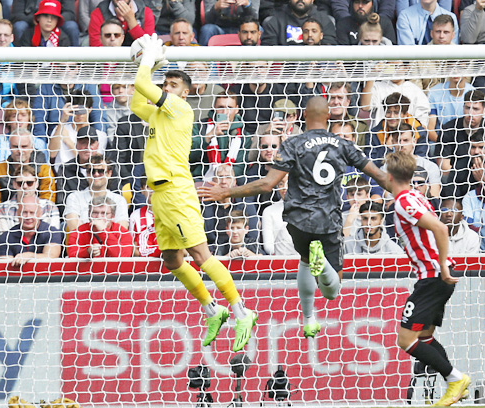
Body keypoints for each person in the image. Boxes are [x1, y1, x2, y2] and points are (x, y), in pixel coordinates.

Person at [199, 96, 389, 338]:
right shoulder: (343, 145)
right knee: (332, 290)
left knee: (305, 260)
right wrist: (403, 192)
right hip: (329, 221)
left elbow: (268, 184)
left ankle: (308, 318)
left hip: (299, 221)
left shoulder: (293, 144)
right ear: (329, 116)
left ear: (304, 117)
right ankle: (322, 274)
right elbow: (380, 177)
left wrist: (224, 191)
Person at [131, 34, 257, 352]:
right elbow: (136, 100)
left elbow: (146, 88)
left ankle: (242, 311)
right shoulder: (160, 113)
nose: (166, 88)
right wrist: (143, 64)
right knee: (172, 259)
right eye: (166, 82)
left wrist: (148, 60)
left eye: (172, 84)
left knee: (201, 256)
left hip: (176, 189)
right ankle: (213, 310)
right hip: (160, 195)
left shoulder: (181, 110)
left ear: (185, 93)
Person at [385, 150, 470, 407]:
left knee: (405, 339)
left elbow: (441, 228)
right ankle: (455, 387)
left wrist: (442, 265)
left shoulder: (403, 202)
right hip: (437, 275)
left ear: (389, 177)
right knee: (425, 336)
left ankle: (455, 379)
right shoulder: (414, 195)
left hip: (433, 276)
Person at [191, 92, 250, 180]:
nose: (225, 112)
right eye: (220, 107)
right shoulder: (199, 126)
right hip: (201, 178)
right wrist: (209, 135)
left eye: (229, 108)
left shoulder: (244, 135)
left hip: (230, 181)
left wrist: (222, 178)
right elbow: (190, 156)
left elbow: (240, 166)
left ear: (237, 109)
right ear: (214, 107)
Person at [0, 129, 55, 203]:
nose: (20, 151)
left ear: (32, 148)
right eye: (15, 146)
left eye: (24, 146)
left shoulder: (44, 170)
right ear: (9, 147)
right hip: (5, 212)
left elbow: (48, 201)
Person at [64, 154, 128, 232]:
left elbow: (122, 231)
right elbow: (74, 229)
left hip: (110, 243)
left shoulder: (119, 200)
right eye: (92, 171)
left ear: (109, 173)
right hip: (84, 243)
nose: (96, 174)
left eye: (101, 171)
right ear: (87, 174)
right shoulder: (74, 197)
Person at [0, 195, 64, 266]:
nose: (28, 217)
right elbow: (6, 266)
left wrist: (30, 256)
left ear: (39, 214)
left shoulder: (52, 232)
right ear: (18, 213)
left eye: (32, 213)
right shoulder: (6, 237)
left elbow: (51, 256)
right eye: (24, 212)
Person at [0, 165, 60, 233]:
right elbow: (4, 238)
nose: (25, 186)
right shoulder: (2, 208)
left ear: (37, 184)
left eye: (29, 183)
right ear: (14, 184)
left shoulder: (49, 207)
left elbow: (53, 237)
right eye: (20, 183)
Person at [67, 195, 134, 258]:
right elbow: (72, 255)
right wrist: (87, 252)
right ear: (89, 215)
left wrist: (103, 231)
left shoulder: (122, 232)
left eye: (104, 213)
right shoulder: (79, 232)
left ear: (113, 216)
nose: (99, 217)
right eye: (95, 213)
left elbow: (124, 256)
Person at [261, 0, 337, 45]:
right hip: (284, 69)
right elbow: (269, 48)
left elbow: (329, 47)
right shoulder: (274, 20)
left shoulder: (325, 20)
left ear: (312, 0)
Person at [88, 0, 156, 46]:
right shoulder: (98, 12)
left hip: (138, 60)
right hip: (108, 61)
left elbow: (149, 46)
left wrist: (131, 20)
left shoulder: (146, 12)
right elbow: (95, 45)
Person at [128, 177, 160, 257]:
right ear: (142, 190)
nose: (152, 191)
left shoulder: (172, 213)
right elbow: (134, 249)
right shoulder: (135, 216)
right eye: (149, 187)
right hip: (144, 262)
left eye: (156, 186)